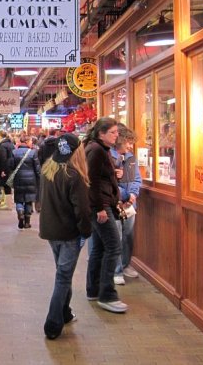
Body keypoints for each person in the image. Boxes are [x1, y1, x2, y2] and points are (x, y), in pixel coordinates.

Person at [39, 134, 92, 340]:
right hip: (70, 234)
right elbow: (83, 210)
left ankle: (65, 312)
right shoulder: (74, 174)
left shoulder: (47, 170)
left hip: (51, 232)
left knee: (63, 273)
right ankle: (53, 323)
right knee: (63, 277)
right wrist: (85, 232)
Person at [84, 117, 128, 313]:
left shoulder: (98, 149)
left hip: (101, 204)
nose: (117, 135)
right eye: (113, 132)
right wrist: (100, 207)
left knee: (100, 248)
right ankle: (107, 294)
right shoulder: (96, 151)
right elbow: (90, 181)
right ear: (102, 133)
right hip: (101, 206)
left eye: (117, 132)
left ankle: (94, 289)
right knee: (113, 246)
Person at [111, 124, 141, 285]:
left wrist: (133, 195)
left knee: (128, 236)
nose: (130, 146)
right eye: (128, 142)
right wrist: (123, 196)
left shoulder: (131, 158)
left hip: (130, 205)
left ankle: (125, 264)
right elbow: (109, 183)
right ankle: (116, 270)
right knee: (117, 237)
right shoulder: (109, 156)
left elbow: (137, 179)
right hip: (115, 204)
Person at [11, 133, 40, 229]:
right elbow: (37, 168)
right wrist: (39, 179)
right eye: (31, 141)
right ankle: (27, 222)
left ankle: (20, 212)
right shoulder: (33, 153)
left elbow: (11, 167)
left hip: (18, 179)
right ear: (27, 142)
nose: (32, 143)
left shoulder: (14, 152)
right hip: (31, 180)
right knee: (28, 201)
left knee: (19, 199)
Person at [0, 130, 15, 209]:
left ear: (0, 136)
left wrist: (3, 170)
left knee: (6, 186)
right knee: (8, 185)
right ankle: (7, 203)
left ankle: (8, 205)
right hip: (11, 167)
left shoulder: (2, 146)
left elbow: (3, 159)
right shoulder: (11, 144)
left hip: (5, 168)